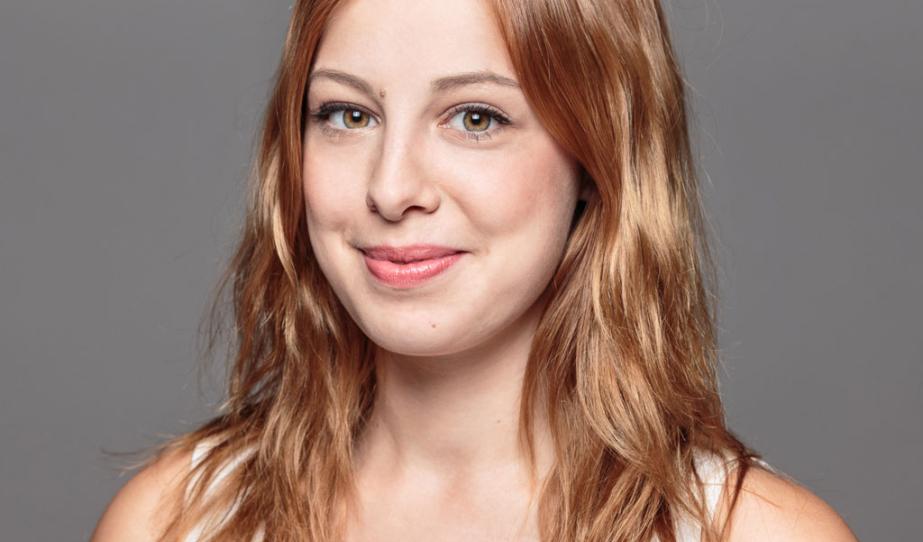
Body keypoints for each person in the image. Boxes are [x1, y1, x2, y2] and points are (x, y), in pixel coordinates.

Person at [92, 0, 859, 540]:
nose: (391, 187)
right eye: (347, 114)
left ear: (596, 158)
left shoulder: (759, 535)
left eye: (475, 118)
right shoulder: (172, 523)